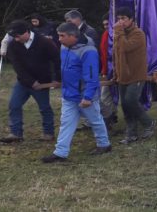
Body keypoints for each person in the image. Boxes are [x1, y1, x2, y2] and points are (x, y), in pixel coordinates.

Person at [42, 23, 111, 163]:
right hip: (69, 94)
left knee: (95, 120)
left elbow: (91, 75)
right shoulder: (64, 47)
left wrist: (88, 97)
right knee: (66, 123)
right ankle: (60, 152)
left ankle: (104, 144)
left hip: (84, 96)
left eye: (62, 36)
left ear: (73, 36)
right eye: (59, 35)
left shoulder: (88, 51)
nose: (59, 39)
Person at [0, 20, 60, 144]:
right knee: (14, 105)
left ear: (27, 32)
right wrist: (31, 82)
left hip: (43, 81)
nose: (16, 39)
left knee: (44, 108)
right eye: (14, 37)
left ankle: (48, 133)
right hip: (23, 82)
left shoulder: (44, 42)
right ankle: (16, 134)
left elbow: (56, 60)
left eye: (18, 36)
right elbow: (17, 66)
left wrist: (57, 78)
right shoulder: (13, 45)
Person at [112, 7, 156, 144]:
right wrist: (116, 72)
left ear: (131, 20)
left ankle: (149, 123)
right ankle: (131, 133)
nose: (121, 22)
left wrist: (118, 32)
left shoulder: (138, 34)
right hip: (122, 76)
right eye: (119, 19)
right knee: (125, 104)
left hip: (136, 74)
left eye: (124, 19)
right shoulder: (119, 35)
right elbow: (116, 54)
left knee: (131, 100)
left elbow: (125, 48)